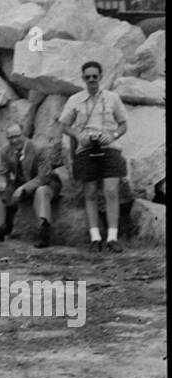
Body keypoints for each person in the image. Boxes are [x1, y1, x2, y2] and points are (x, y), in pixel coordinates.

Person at [59, 61, 128, 253]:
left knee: (111, 191)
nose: (91, 80)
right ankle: (95, 238)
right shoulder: (74, 100)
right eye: (87, 77)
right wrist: (78, 136)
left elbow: (123, 124)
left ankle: (112, 238)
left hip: (109, 148)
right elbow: (64, 125)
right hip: (85, 149)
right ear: (83, 78)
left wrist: (112, 135)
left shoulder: (112, 98)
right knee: (89, 193)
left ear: (100, 77)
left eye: (94, 76)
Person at [0, 122, 63, 248]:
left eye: (17, 136)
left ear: (24, 134)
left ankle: (44, 231)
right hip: (21, 183)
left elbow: (44, 176)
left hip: (47, 184)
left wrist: (24, 188)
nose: (14, 140)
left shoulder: (39, 148)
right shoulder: (5, 151)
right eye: (11, 138)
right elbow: (2, 172)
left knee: (41, 191)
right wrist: (1, 181)